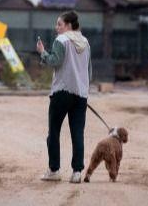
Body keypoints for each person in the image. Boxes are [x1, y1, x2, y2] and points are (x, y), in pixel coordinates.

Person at [36, 10, 92, 184]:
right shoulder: (85, 42)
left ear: (68, 26)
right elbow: (89, 70)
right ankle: (77, 172)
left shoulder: (61, 40)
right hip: (81, 94)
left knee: (54, 132)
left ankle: (54, 170)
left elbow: (55, 61)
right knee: (77, 134)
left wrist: (42, 52)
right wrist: (83, 88)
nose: (57, 27)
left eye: (59, 24)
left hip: (62, 92)